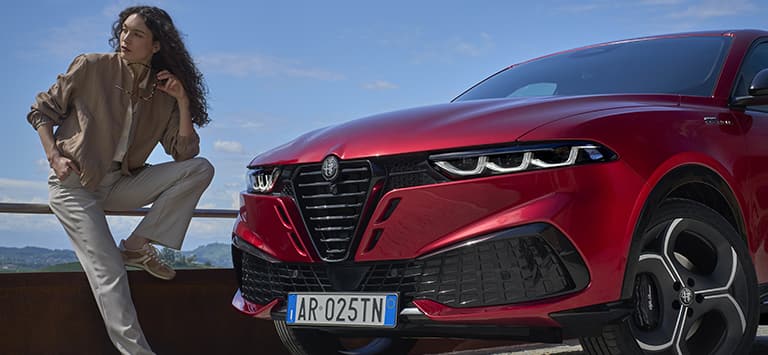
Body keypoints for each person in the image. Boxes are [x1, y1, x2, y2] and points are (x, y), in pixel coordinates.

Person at [27, 6, 214, 354]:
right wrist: (54, 156)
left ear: (156, 45)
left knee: (200, 169)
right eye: (124, 31)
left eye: (137, 34)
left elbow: (184, 154)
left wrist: (182, 101)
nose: (126, 38)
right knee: (110, 272)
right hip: (75, 186)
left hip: (119, 183)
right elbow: (40, 111)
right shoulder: (92, 66)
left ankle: (135, 246)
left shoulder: (163, 90)